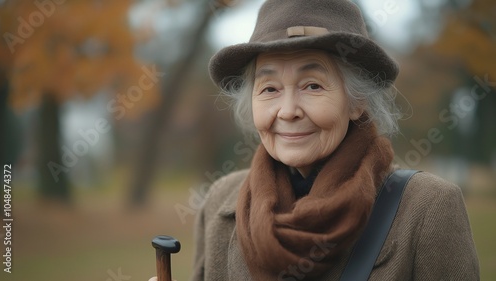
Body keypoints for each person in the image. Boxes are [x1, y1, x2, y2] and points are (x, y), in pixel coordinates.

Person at [150, 0, 480, 280]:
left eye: (313, 85)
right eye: (269, 89)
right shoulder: (220, 202)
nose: (288, 111)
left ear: (356, 102)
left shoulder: (427, 208)